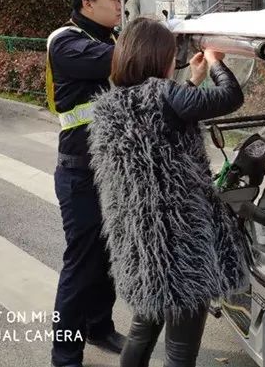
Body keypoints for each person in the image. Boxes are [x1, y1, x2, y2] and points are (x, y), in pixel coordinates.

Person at [88, 18, 248, 367]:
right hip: (181, 246)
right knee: (179, 353)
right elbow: (231, 97)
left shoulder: (111, 106)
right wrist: (216, 60)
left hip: (143, 246)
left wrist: (193, 80)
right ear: (158, 57)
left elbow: (165, 118)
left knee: (142, 333)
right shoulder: (166, 95)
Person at [47, 0, 127, 367]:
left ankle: (100, 326)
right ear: (87, 2)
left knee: (109, 257)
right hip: (79, 172)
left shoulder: (108, 37)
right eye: (113, 0)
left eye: (121, 0)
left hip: (110, 170)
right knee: (81, 265)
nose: (120, 6)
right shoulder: (67, 42)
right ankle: (65, 353)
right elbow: (120, 61)